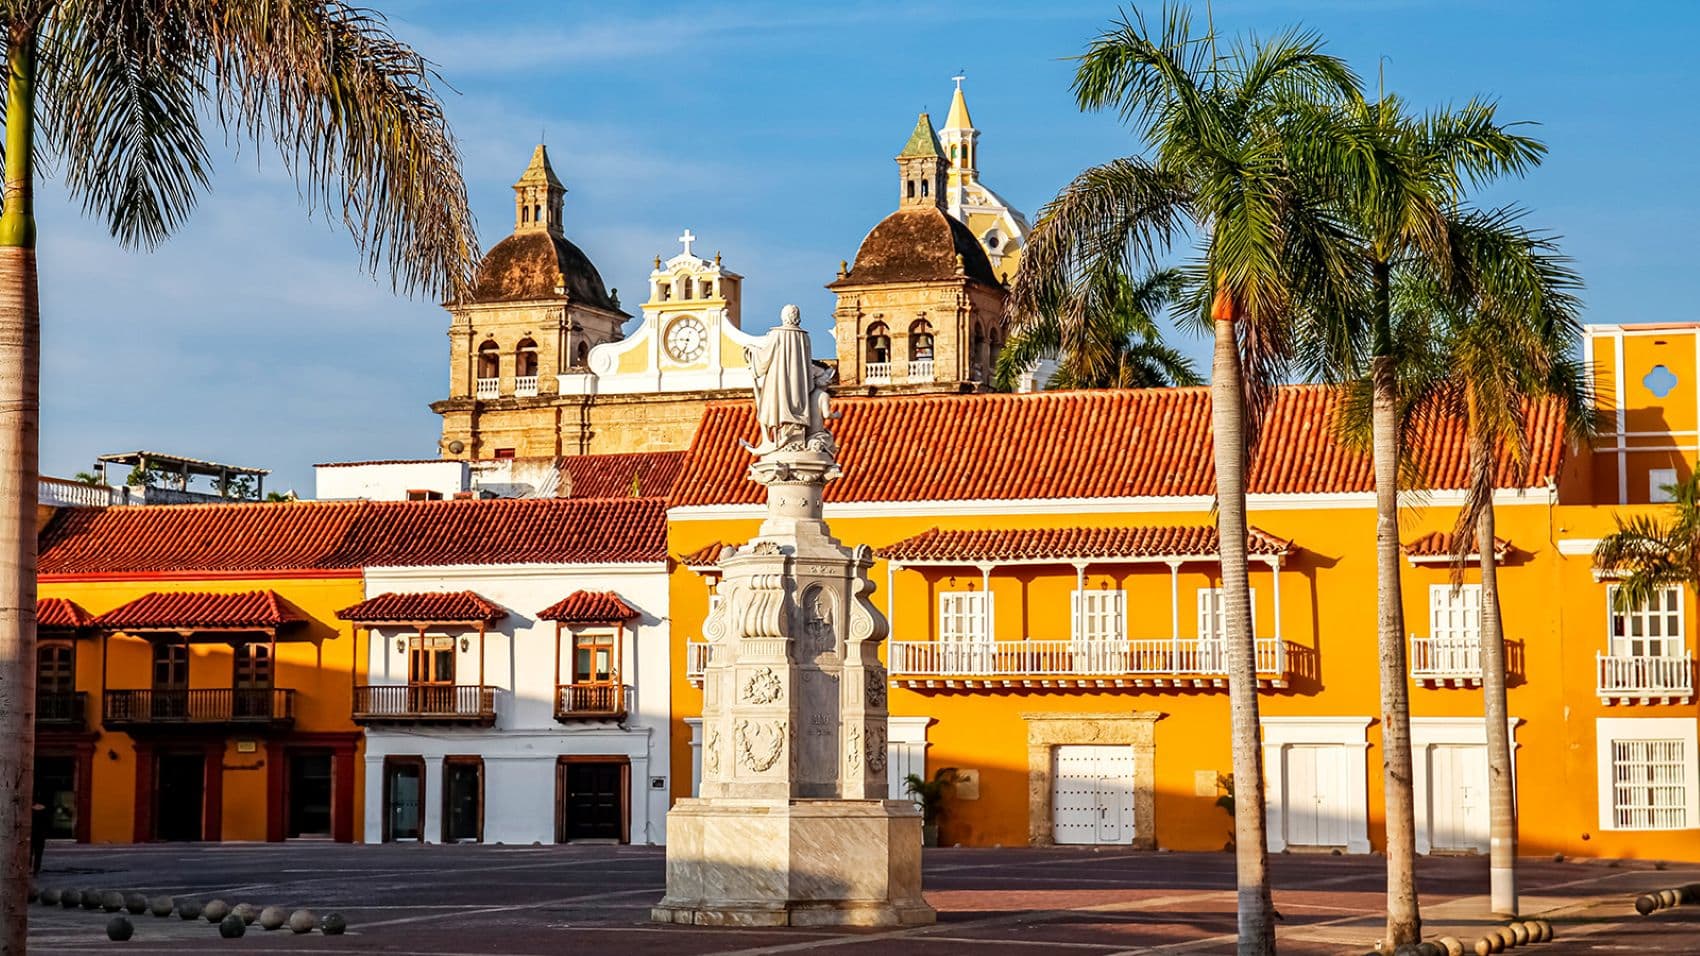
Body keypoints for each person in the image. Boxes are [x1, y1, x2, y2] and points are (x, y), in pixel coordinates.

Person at [30, 799, 48, 874]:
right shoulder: (44, 810)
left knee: (30, 852)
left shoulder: (30, 811)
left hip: (32, 833)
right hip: (41, 834)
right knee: (39, 853)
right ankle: (36, 869)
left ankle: (29, 867)